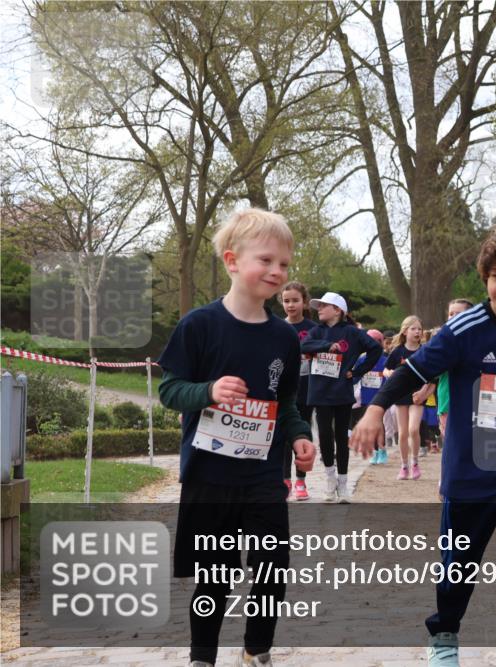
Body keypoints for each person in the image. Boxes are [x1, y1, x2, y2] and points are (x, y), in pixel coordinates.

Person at [351, 226, 496, 667]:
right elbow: (410, 372)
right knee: (461, 560)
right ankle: (444, 634)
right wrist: (373, 412)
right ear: (485, 276)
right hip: (468, 466)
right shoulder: (464, 330)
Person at [158, 208, 318, 667]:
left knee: (271, 571)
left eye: (284, 264)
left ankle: (257, 650)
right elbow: (169, 390)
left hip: (265, 475)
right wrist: (208, 391)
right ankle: (202, 657)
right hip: (210, 475)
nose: (276, 271)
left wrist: (300, 437)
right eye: (265, 260)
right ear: (232, 260)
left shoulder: (284, 338)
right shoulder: (199, 325)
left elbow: (284, 403)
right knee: (215, 575)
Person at [301, 292, 382, 502]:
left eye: (323, 306)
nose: (318, 309)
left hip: (342, 391)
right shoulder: (315, 330)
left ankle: (343, 483)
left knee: (340, 436)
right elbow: (303, 346)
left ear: (338, 310)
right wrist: (326, 346)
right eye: (318, 306)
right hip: (319, 391)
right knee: (325, 436)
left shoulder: (351, 332)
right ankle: (330, 478)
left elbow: (375, 349)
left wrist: (356, 373)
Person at [280, 280, 317, 500]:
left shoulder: (313, 330)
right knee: (284, 434)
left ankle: (301, 480)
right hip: (284, 390)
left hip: (307, 389)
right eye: (286, 301)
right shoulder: (278, 327)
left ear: (304, 303)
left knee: (303, 432)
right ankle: (284, 480)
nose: (291, 305)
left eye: (295, 300)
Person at [384, 315, 433, 480]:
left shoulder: (424, 351)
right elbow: (386, 369)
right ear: (405, 331)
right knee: (403, 433)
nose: (417, 331)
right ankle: (404, 466)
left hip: (417, 395)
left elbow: (432, 375)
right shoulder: (398, 351)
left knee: (413, 429)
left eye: (419, 328)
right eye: (413, 328)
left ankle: (415, 463)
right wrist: (389, 373)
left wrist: (424, 391)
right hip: (400, 394)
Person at [438, 299, 475, 448]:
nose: (452, 317)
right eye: (450, 314)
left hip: (473, 403)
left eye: (457, 314)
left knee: (471, 446)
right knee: (452, 446)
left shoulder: (478, 342)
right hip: (447, 401)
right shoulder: (441, 342)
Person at [356, 328, 389, 465]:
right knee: (369, 425)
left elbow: (389, 378)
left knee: (379, 424)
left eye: (376, 341)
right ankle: (374, 451)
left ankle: (382, 449)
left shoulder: (385, 360)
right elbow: (356, 375)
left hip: (379, 397)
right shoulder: (361, 359)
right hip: (365, 396)